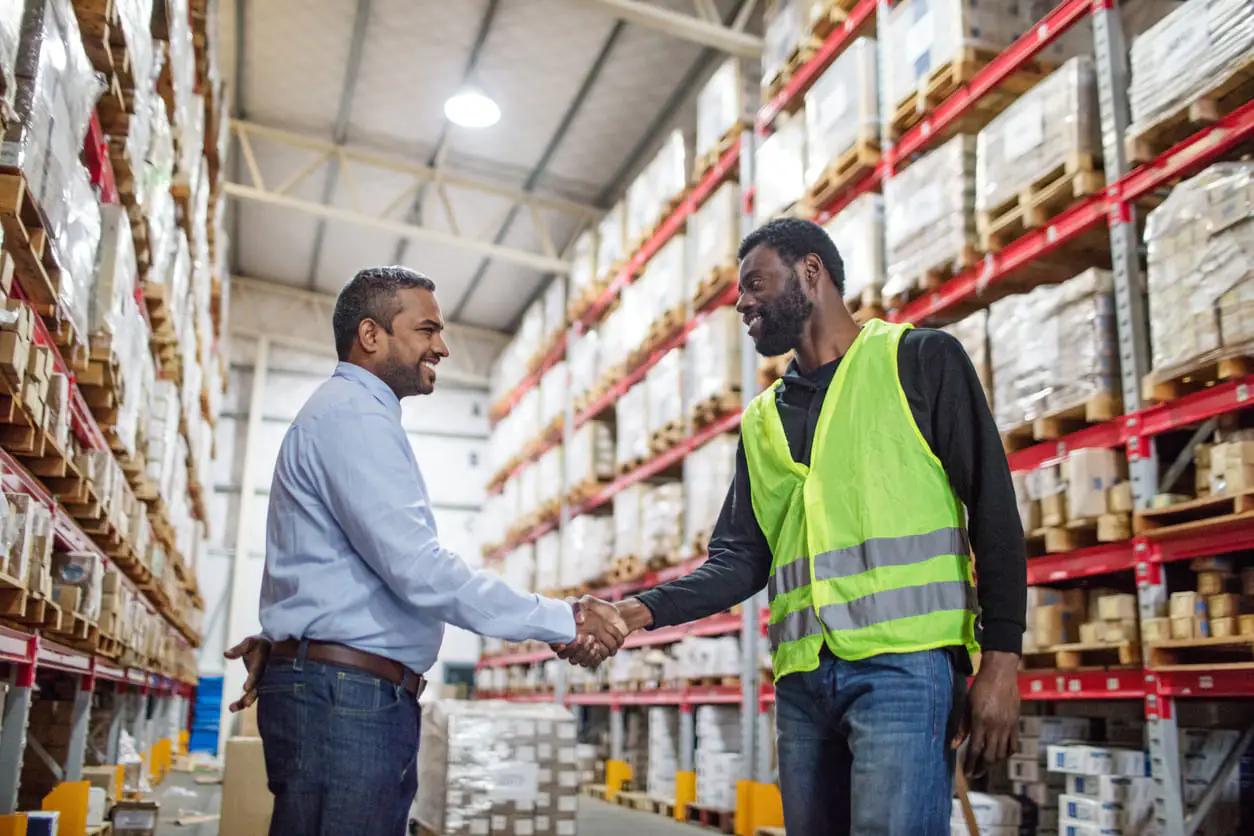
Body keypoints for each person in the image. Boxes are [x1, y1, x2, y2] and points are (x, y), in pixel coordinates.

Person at [612, 218, 1026, 835]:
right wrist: (634, 612)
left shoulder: (917, 360)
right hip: (803, 685)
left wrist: (1002, 661)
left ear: (812, 272)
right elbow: (740, 561)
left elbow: (994, 509)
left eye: (755, 284)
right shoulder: (762, 421)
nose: (742, 303)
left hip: (904, 671)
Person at [224, 267, 628, 836]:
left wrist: (290, 644)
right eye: (426, 330)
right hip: (347, 702)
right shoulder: (352, 416)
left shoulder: (350, 414)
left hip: (343, 694)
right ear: (371, 335)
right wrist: (563, 619)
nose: (442, 347)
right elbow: (420, 570)